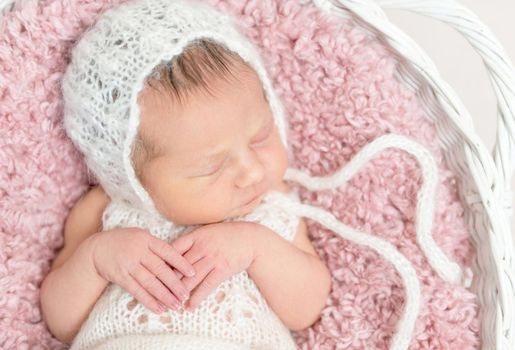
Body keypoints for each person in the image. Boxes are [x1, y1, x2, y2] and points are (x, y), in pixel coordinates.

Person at [39, 0, 332, 349]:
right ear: (131, 176)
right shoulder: (104, 211)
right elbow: (61, 321)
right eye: (211, 167)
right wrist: (96, 259)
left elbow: (306, 308)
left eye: (262, 137)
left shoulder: (270, 209)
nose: (252, 171)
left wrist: (257, 248)